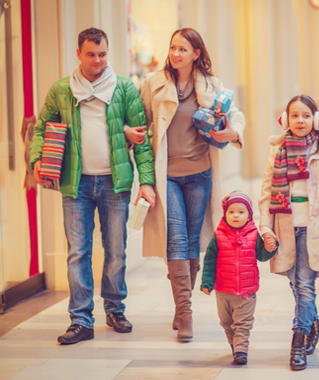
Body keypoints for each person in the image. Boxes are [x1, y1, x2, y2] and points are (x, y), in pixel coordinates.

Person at [29, 27, 156, 345]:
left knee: (116, 251)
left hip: (116, 184)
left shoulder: (125, 88)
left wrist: (147, 182)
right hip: (76, 185)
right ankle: (81, 320)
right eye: (91, 54)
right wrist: (35, 162)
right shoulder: (61, 90)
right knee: (78, 253)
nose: (97, 60)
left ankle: (115, 310)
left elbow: (141, 139)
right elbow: (42, 128)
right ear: (78, 53)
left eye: (102, 54)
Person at [134, 27, 245, 342]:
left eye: (183, 49)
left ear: (197, 53)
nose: (176, 54)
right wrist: (134, 140)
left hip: (200, 174)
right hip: (167, 176)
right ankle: (185, 314)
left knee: (194, 241)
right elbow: (141, 124)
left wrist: (231, 133)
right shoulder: (154, 85)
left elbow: (236, 118)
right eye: (173, 48)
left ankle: (182, 302)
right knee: (176, 241)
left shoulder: (213, 86)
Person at [258, 94, 319, 370]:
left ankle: (298, 343)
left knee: (305, 286)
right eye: (294, 115)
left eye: (306, 115)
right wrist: (265, 228)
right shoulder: (276, 152)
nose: (300, 120)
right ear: (285, 120)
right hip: (284, 228)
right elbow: (265, 194)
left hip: (313, 229)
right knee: (296, 285)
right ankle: (312, 322)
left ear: (316, 119)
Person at [200, 191, 277, 365]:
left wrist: (270, 247)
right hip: (223, 291)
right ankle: (234, 344)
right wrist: (207, 282)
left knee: (242, 323)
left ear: (249, 215)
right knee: (226, 322)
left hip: (246, 292)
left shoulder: (253, 235)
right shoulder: (218, 237)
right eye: (231, 212)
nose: (235, 215)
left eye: (241, 212)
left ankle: (241, 351)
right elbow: (210, 261)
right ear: (225, 214)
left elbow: (262, 256)